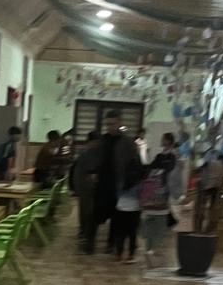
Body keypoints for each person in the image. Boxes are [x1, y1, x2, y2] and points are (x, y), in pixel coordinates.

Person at [93, 110, 142, 256]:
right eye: (107, 124)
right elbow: (97, 159)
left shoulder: (128, 142)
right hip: (103, 182)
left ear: (119, 123)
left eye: (112, 124)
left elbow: (135, 163)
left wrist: (131, 182)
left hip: (120, 184)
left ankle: (112, 243)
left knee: (117, 217)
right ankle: (91, 242)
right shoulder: (103, 140)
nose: (110, 127)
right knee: (97, 213)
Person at [139, 143, 177, 266]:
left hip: (148, 208)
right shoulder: (167, 175)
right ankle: (153, 252)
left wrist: (142, 205)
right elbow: (171, 191)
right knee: (159, 231)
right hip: (161, 208)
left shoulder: (149, 174)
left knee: (149, 231)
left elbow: (143, 191)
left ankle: (149, 250)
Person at [72, 130, 101, 253]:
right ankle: (85, 236)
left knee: (87, 214)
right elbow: (83, 174)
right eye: (96, 142)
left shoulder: (89, 153)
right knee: (87, 214)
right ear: (91, 142)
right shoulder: (87, 154)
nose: (97, 144)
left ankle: (85, 235)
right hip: (86, 188)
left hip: (88, 189)